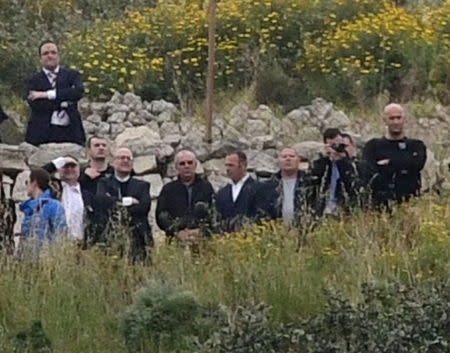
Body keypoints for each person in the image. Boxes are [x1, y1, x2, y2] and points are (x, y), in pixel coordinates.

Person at [362, 103, 427, 207]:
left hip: (411, 202)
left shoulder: (416, 145)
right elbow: (369, 174)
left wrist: (389, 163)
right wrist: (404, 166)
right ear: (385, 120)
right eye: (391, 118)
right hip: (381, 205)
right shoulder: (373, 146)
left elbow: (417, 165)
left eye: (398, 118)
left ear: (404, 119)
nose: (396, 122)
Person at [24, 40, 85, 146]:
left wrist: (46, 95)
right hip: (41, 132)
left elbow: (78, 92)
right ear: (40, 58)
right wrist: (65, 101)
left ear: (58, 56)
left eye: (53, 52)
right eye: (45, 53)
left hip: (71, 131)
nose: (50, 56)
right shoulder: (33, 79)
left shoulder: (72, 75)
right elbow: (35, 103)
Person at [97, 147, 152, 262]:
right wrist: (128, 201)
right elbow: (102, 202)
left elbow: (143, 208)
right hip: (111, 237)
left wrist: (115, 205)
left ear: (132, 163)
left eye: (128, 158)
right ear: (113, 162)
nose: (125, 161)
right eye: (121, 158)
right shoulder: (104, 183)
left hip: (138, 239)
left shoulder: (142, 185)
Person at [156, 150, 215, 240]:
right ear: (176, 167)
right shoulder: (168, 189)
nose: (186, 166)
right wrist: (176, 231)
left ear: (195, 165)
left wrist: (201, 231)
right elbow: (161, 216)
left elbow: (213, 212)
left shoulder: (206, 187)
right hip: (176, 241)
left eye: (190, 163)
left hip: (202, 240)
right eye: (182, 163)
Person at [254, 147, 315, 226]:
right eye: (284, 157)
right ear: (278, 162)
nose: (288, 159)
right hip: (275, 231)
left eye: (292, 156)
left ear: (298, 161)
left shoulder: (309, 183)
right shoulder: (267, 186)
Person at [310, 128, 360, 216]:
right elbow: (313, 181)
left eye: (342, 146)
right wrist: (324, 158)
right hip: (323, 210)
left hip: (345, 211)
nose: (338, 149)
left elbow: (352, 185)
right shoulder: (322, 164)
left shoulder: (357, 165)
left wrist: (342, 160)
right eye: (334, 146)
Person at [20, 168, 66, 245]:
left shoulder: (54, 206)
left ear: (34, 182)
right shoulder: (28, 209)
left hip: (47, 255)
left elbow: (60, 236)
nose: (26, 186)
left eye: (27, 182)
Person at [216, 151, 259, 232]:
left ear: (243, 165)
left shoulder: (258, 189)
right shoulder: (222, 193)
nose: (227, 169)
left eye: (231, 165)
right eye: (226, 165)